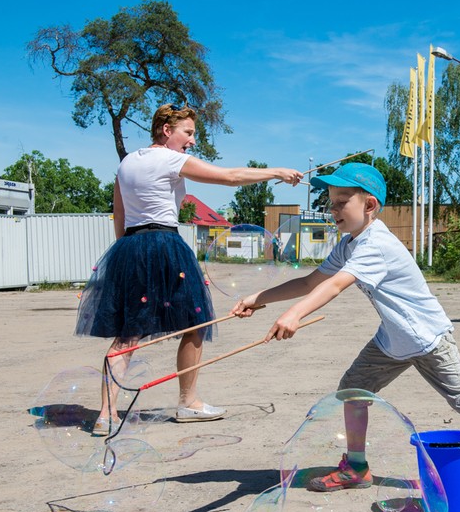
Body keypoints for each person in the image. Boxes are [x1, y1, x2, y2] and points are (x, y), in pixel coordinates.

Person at [231, 163, 460, 500]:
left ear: (370, 205)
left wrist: (294, 314)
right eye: (330, 202)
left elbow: (334, 286)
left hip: (428, 338)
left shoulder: (375, 244)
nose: (332, 210)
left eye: (341, 202)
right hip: (392, 340)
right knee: (352, 390)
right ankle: (357, 467)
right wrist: (257, 299)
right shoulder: (349, 244)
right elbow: (310, 281)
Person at [77, 103, 303, 435]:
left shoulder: (126, 164)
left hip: (129, 247)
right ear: (167, 131)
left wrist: (127, 257)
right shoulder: (169, 158)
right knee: (196, 322)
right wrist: (277, 172)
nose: (192, 141)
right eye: (188, 133)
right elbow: (230, 177)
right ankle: (189, 402)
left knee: (128, 334)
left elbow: (119, 214)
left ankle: (106, 414)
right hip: (166, 244)